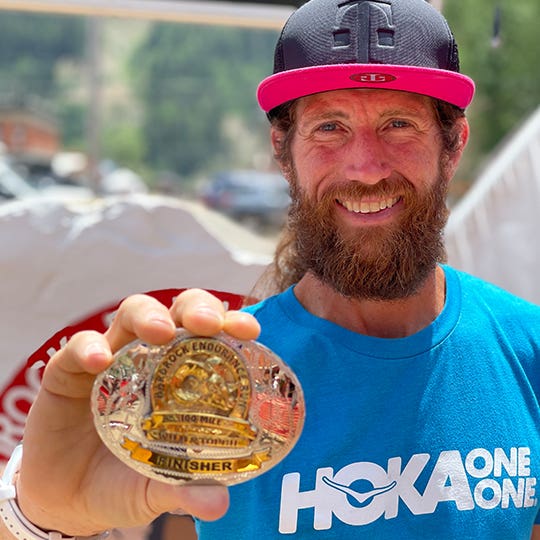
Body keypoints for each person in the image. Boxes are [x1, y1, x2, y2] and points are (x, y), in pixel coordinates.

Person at [0, 0, 538, 538]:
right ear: (282, 149)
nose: (367, 168)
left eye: (399, 124)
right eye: (330, 127)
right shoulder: (212, 386)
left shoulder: (528, 349)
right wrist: (39, 518)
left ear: (453, 145)